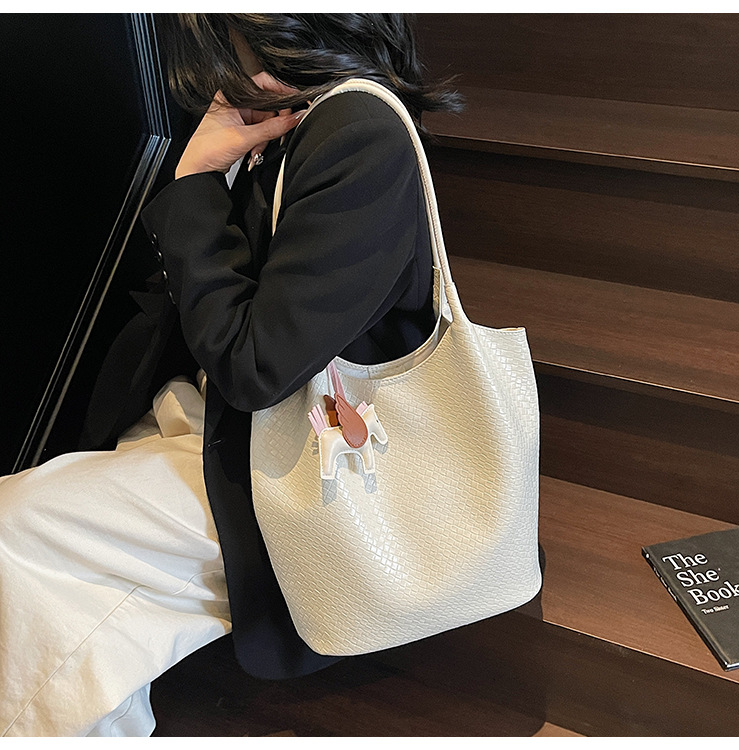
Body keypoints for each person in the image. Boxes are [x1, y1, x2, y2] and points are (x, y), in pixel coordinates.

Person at [0, 13, 461, 737]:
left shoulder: (360, 134)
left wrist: (195, 182)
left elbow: (255, 367)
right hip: (244, 426)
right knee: (42, 564)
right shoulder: (295, 121)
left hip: (312, 462)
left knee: (19, 535)